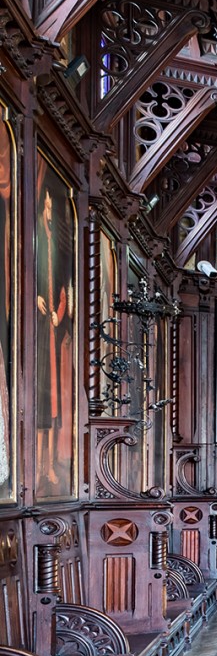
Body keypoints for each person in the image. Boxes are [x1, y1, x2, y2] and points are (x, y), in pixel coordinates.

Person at [34, 185, 73, 493]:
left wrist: (59, 313)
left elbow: (62, 291)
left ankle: (47, 465)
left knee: (51, 404)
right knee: (40, 402)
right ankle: (37, 465)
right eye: (46, 207)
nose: (49, 212)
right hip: (37, 331)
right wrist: (35, 296)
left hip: (51, 329)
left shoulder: (55, 247)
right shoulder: (35, 240)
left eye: (51, 207)